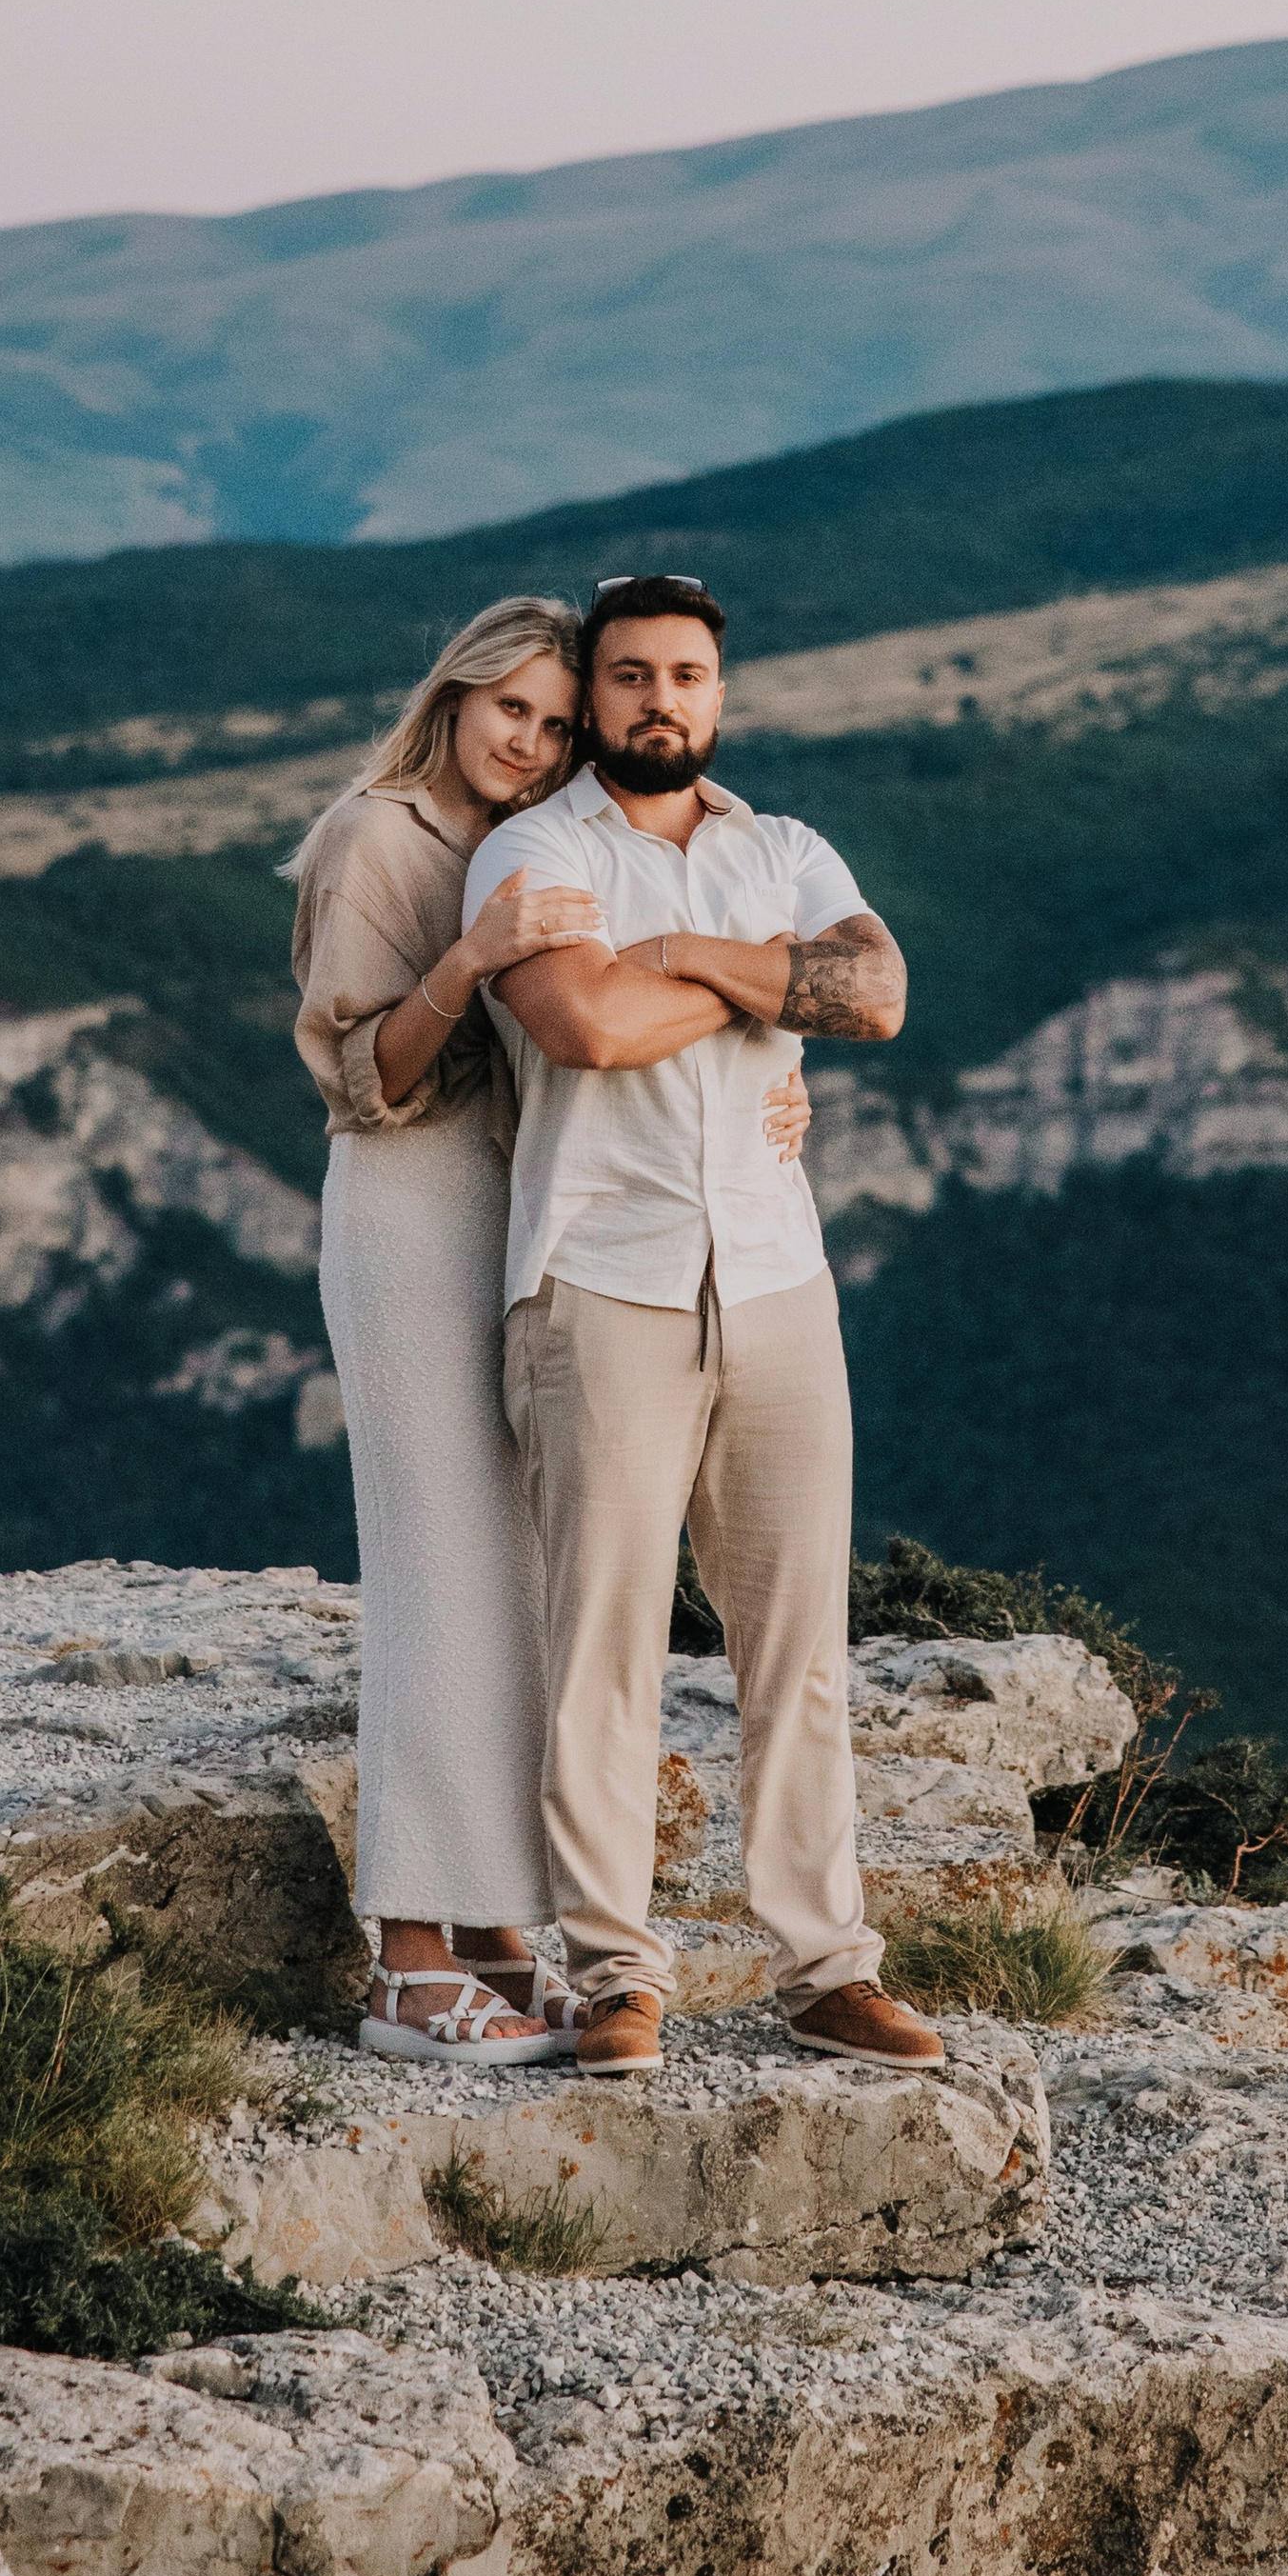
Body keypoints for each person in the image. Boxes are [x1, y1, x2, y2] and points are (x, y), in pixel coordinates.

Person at [287, 593, 811, 2063]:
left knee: (521, 1564)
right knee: (436, 1559)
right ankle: (404, 1957)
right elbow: (360, 1078)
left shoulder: (541, 840)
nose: (532, 740)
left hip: (528, 1214)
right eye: (509, 708)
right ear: (451, 695)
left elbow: (646, 1014)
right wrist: (475, 955)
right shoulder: (378, 837)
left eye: (557, 721)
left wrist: (776, 1078)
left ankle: (501, 1929)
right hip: (410, 1209)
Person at [462, 573, 944, 2081]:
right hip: (605, 1282)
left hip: (780, 1280)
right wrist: (760, 989)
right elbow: (583, 1028)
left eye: (686, 674)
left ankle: (823, 1965)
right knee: (600, 1638)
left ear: (718, 694)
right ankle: (617, 1970)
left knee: (798, 1637)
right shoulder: (531, 849)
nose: (659, 698)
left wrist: (675, 959)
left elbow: (874, 992)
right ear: (590, 696)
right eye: (629, 675)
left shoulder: (783, 847)